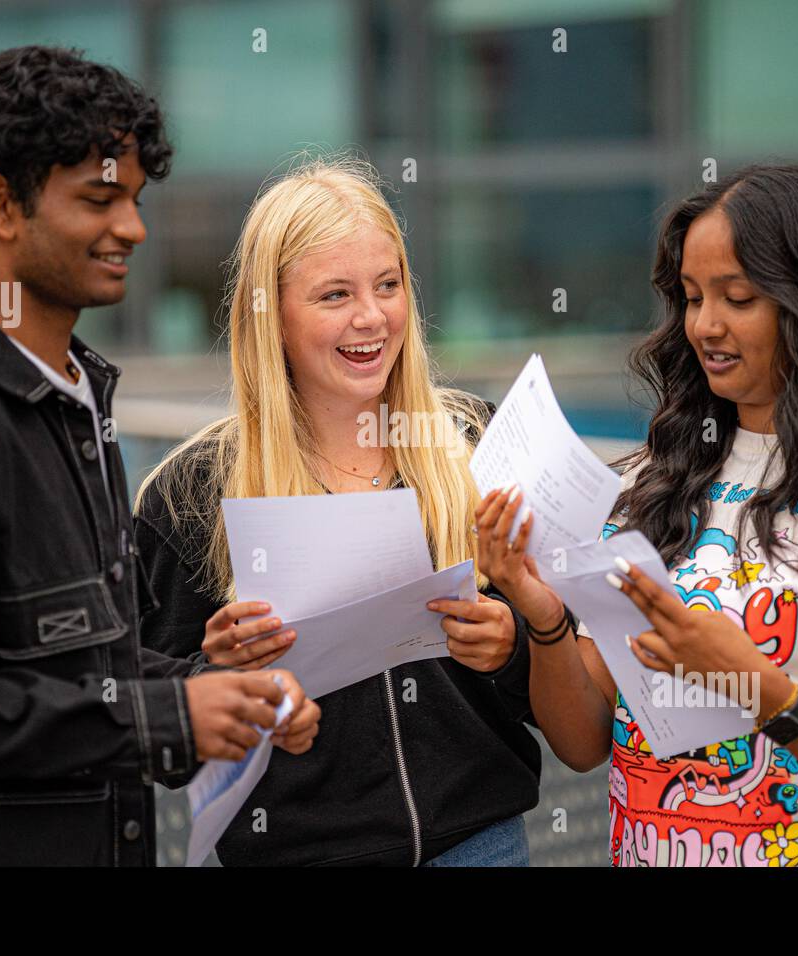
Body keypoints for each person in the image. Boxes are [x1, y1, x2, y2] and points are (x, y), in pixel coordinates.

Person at [0, 45, 318, 866]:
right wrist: (168, 719)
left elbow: (72, 669)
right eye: (99, 198)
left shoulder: (73, 405)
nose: (134, 227)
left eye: (137, 199)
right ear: (1, 207)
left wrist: (200, 683)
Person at [476, 163, 798, 867]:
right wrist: (541, 613)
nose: (705, 325)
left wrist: (762, 692)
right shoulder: (656, 482)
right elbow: (580, 743)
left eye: (739, 297)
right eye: (693, 298)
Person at [135, 156, 540, 866]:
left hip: (481, 844)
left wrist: (512, 649)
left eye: (389, 285)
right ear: (271, 315)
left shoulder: (474, 439)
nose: (371, 316)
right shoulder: (190, 493)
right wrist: (216, 676)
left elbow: (567, 678)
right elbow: (154, 739)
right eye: (333, 295)